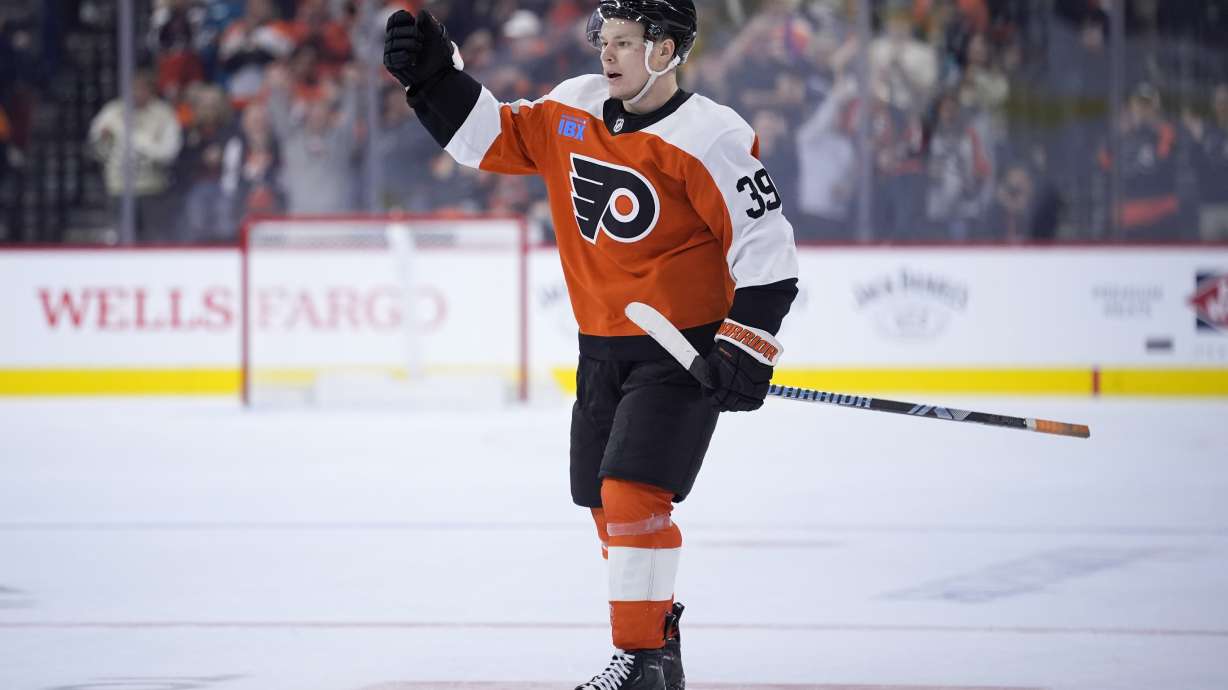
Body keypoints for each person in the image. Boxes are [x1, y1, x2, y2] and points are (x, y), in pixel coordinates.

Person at [383, 1, 799, 688]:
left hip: (679, 352)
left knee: (633, 492)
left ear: (665, 50)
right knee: (603, 505)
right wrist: (432, 77)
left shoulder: (711, 136)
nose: (607, 55)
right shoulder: (574, 106)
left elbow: (767, 251)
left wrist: (745, 346)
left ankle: (637, 660)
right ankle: (658, 650)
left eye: (625, 43)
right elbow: (489, 136)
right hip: (600, 348)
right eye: (603, 40)